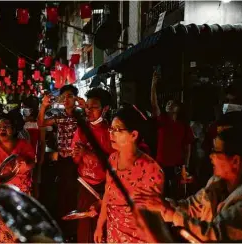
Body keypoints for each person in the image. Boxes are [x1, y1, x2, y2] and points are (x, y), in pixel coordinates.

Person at [134, 127, 242, 242]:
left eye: (216, 151)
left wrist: (173, 214)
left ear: (235, 161)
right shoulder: (215, 184)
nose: (211, 156)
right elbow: (191, 206)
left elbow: (214, 234)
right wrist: (161, 204)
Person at [94, 105, 164, 243]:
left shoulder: (150, 169)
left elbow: (156, 216)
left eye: (118, 130)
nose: (111, 134)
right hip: (113, 232)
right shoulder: (112, 160)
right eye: (111, 129)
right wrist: (99, 225)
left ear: (134, 135)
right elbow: (107, 195)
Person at [37, 84, 85, 241]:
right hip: (64, 160)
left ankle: (76, 229)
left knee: (76, 194)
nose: (66, 100)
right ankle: (66, 229)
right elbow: (41, 123)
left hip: (80, 160)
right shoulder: (59, 116)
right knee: (64, 194)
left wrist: (84, 107)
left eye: (70, 96)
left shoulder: (82, 115)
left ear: (75, 98)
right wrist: (44, 106)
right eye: (63, 97)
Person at [0, 115, 36, 243]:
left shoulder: (24, 145)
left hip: (21, 193)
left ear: (14, 129)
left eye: (6, 126)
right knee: (1, 228)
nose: (2, 129)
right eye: (0, 127)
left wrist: (26, 165)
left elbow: (32, 162)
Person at [71, 88, 114, 243]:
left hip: (104, 188)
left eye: (94, 107)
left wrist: (88, 153)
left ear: (105, 109)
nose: (88, 110)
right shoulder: (82, 129)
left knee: (102, 228)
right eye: (87, 107)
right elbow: (76, 160)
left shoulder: (111, 131)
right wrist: (76, 155)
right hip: (85, 185)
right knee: (84, 228)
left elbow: (114, 163)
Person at [151, 71, 194, 198]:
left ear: (178, 108)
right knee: (161, 193)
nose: (169, 104)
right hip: (161, 164)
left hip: (177, 165)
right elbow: (154, 104)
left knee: (177, 194)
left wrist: (185, 167)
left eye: (172, 103)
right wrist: (153, 85)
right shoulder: (162, 120)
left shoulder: (184, 126)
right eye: (168, 103)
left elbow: (187, 148)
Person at [21, 96, 46, 198]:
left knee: (34, 183)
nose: (23, 110)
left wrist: (41, 158)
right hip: (23, 159)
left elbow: (42, 142)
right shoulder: (21, 123)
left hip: (35, 158)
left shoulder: (39, 124)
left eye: (25, 108)